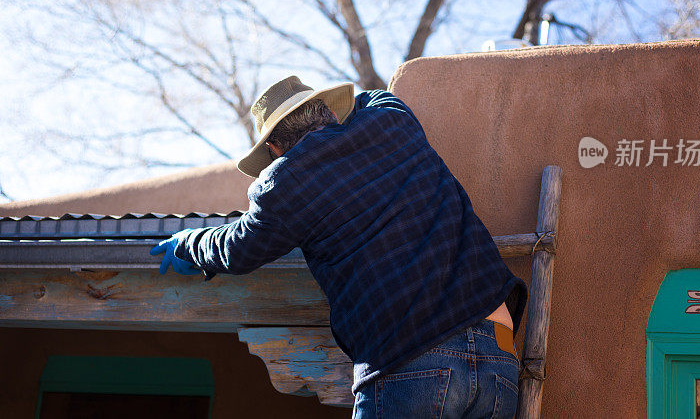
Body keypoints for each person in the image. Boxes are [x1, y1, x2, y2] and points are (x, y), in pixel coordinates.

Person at [150, 75, 527, 418]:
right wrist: (337, 115)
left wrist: (188, 243)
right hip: (500, 353)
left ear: (275, 149)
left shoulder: (284, 186)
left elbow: (235, 247)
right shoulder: (393, 120)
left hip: (409, 362)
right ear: (331, 111)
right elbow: (376, 96)